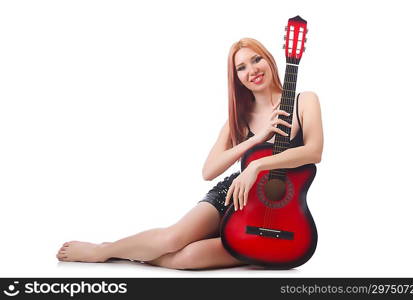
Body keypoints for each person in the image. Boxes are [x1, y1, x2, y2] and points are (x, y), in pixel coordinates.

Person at [56, 37, 324, 270]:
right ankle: (104, 250)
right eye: (241, 67)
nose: (251, 70)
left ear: (270, 59)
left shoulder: (305, 100)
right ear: (236, 78)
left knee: (188, 258)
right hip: (237, 197)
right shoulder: (239, 119)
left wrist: (256, 166)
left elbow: (313, 151)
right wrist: (258, 138)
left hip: (281, 219)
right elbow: (209, 171)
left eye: (256, 60)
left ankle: (132, 254)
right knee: (172, 239)